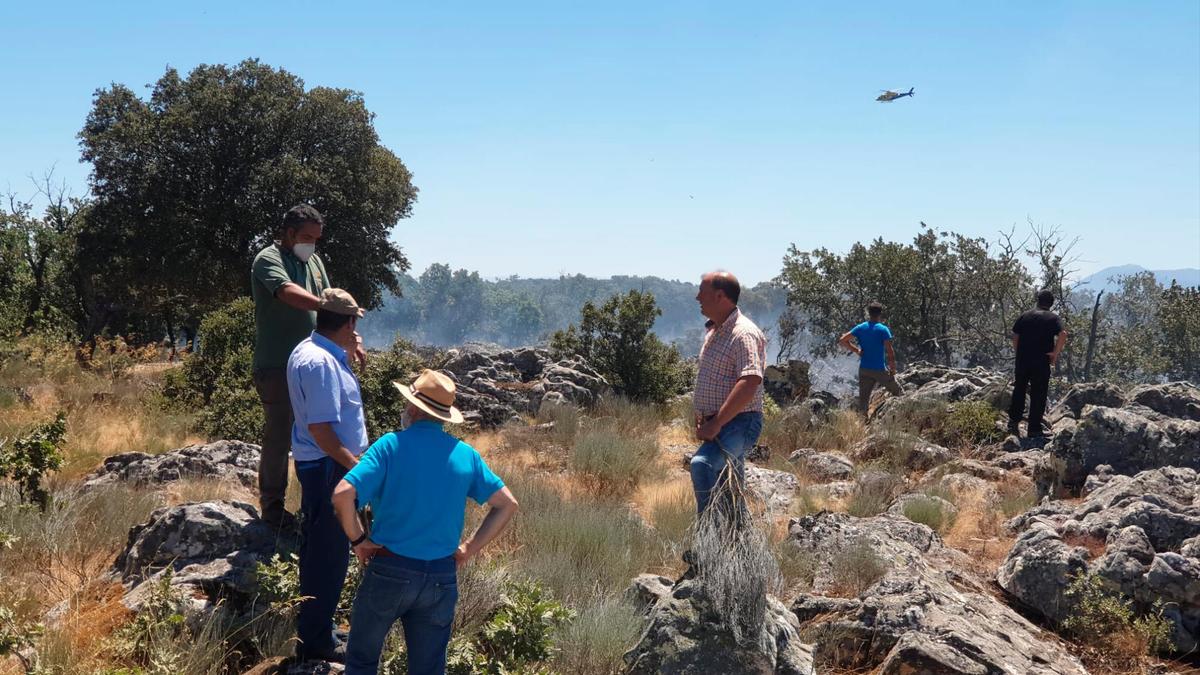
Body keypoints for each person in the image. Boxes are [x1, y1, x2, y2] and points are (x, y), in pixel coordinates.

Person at [332, 369, 519, 675]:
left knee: (363, 661)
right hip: (441, 575)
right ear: (444, 415)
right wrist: (468, 549)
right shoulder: (465, 455)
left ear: (415, 408)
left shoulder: (389, 446)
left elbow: (343, 494)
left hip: (389, 568)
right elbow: (507, 504)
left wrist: (358, 541)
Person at [252, 204, 367, 527]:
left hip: (318, 365)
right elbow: (287, 292)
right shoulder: (268, 259)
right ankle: (272, 509)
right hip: (277, 364)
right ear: (288, 233)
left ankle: (315, 506)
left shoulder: (314, 261)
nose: (311, 244)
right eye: (306, 237)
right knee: (279, 435)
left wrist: (351, 336)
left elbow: (331, 298)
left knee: (321, 434)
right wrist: (327, 307)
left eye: (316, 238)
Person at [286, 288, 369, 663]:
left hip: (323, 464)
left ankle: (320, 626)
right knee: (328, 553)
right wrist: (357, 466)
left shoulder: (314, 351)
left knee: (326, 550)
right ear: (349, 321)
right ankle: (316, 640)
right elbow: (322, 430)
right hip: (329, 466)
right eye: (355, 323)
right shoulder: (321, 363)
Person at [691, 271, 767, 515]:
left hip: (740, 422)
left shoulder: (743, 333)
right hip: (723, 421)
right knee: (729, 488)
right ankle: (740, 543)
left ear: (720, 295)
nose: (697, 297)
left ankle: (710, 541)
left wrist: (717, 423)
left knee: (702, 465)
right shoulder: (716, 330)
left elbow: (750, 380)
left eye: (702, 292)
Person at [1009, 289, 1068, 439]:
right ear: (1051, 303)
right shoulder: (1053, 318)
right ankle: (1034, 429)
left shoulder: (1025, 315)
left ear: (1038, 300)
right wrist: (1055, 353)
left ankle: (1013, 422)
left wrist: (1018, 353)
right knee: (1038, 393)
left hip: (1023, 359)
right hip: (1041, 361)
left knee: (1020, 389)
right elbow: (1063, 334)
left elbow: (1015, 335)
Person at [839, 301, 902, 415]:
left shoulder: (861, 328)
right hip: (879, 370)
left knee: (863, 402)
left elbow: (843, 340)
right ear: (880, 314)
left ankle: (862, 425)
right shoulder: (883, 329)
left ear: (869, 313)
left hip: (864, 369)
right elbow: (890, 351)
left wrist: (856, 350)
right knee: (898, 392)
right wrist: (892, 368)